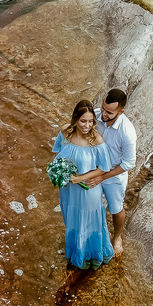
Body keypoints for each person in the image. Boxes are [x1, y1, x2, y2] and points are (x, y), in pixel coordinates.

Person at [52, 100, 115, 269]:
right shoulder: (65, 132)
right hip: (68, 189)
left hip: (88, 190)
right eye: (83, 121)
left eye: (90, 121)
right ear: (75, 119)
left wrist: (80, 178)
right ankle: (75, 252)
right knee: (72, 220)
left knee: (88, 222)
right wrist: (59, 171)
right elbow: (58, 154)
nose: (87, 125)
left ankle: (91, 257)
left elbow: (104, 168)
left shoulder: (96, 140)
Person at [84, 88, 137, 257]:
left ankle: (117, 237)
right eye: (103, 108)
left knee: (116, 208)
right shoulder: (96, 115)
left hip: (115, 175)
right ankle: (91, 235)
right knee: (89, 205)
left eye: (109, 112)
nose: (104, 114)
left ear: (121, 112)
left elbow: (129, 163)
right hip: (93, 169)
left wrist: (103, 177)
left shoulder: (127, 133)